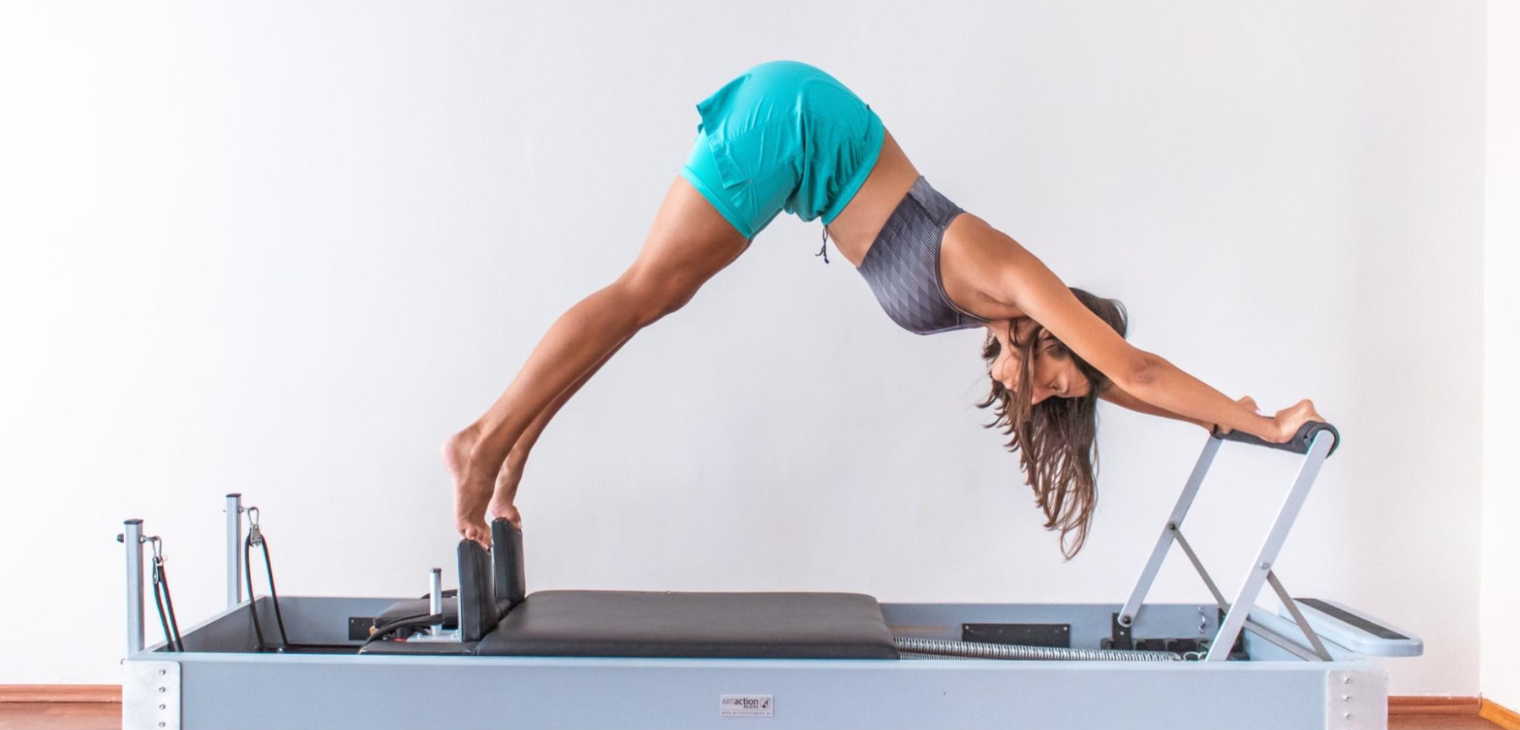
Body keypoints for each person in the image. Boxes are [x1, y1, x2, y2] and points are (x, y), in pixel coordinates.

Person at [442, 61, 1322, 557]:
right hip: (792, 125)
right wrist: (1270, 422)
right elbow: (1136, 369)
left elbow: (1121, 385)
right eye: (1063, 378)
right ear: (1059, 335)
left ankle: (512, 451)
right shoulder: (1006, 273)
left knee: (650, 301)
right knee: (647, 291)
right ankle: (482, 443)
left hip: (796, 136)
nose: (1050, 394)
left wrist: (1225, 414)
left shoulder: (994, 311)